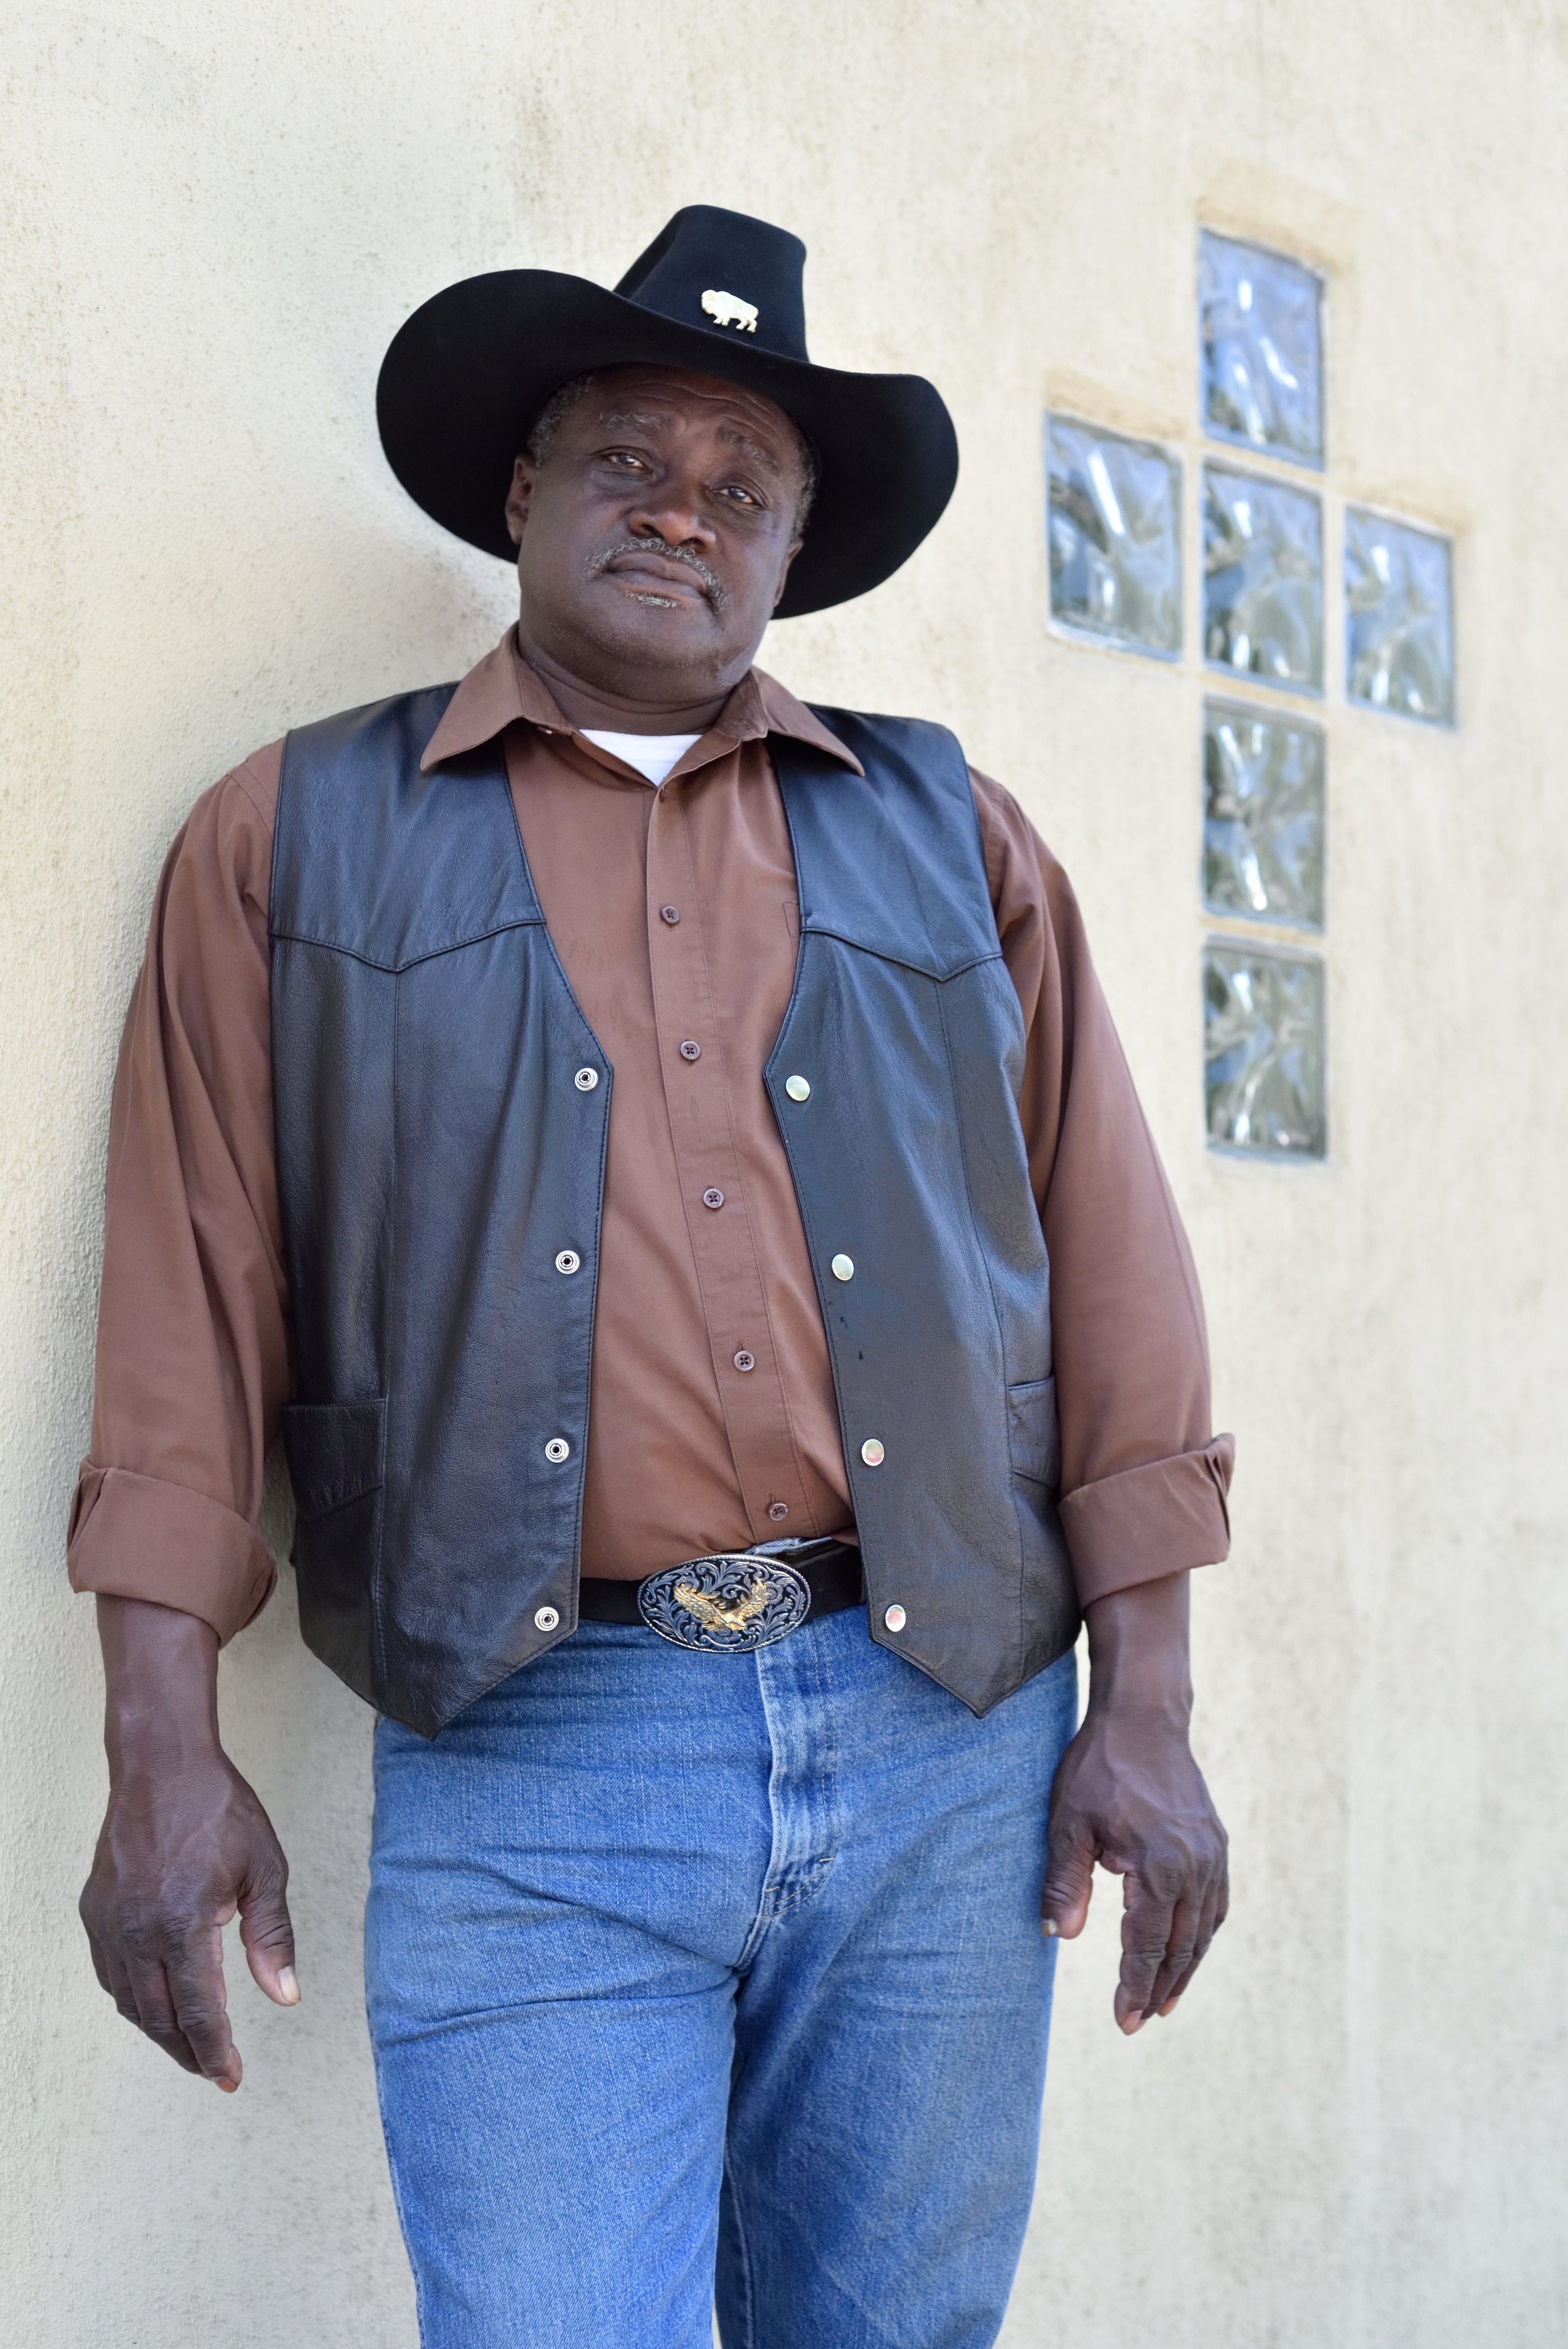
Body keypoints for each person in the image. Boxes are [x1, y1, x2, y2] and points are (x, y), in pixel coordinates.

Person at [72, 204, 1234, 2348]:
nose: (681, 515)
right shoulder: (292, 836)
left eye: (743, 488)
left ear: (792, 553)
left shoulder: (952, 834)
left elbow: (1109, 1273)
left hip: (942, 1726)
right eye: (629, 461)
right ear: (523, 492)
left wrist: (1142, 1710)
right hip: (536, 1748)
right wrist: (159, 1747)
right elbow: (186, 1303)